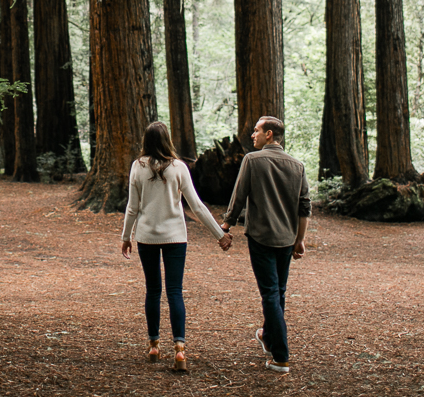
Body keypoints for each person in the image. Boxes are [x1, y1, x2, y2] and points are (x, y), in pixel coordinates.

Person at [121, 121, 232, 372]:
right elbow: (197, 206)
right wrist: (220, 235)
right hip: (175, 238)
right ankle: (180, 351)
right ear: (167, 140)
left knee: (152, 290)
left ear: (146, 141)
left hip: (147, 237)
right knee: (174, 292)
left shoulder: (137, 167)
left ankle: (153, 346)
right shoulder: (179, 167)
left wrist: (125, 236)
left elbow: (132, 207)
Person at [220, 116, 311, 375]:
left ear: (269, 134)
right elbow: (304, 206)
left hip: (261, 237)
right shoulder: (298, 165)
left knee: (270, 293)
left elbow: (239, 196)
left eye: (257, 131)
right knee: (278, 292)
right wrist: (300, 239)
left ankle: (281, 357)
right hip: (286, 239)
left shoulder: (252, 160)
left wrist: (226, 225)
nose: (253, 135)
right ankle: (268, 339)